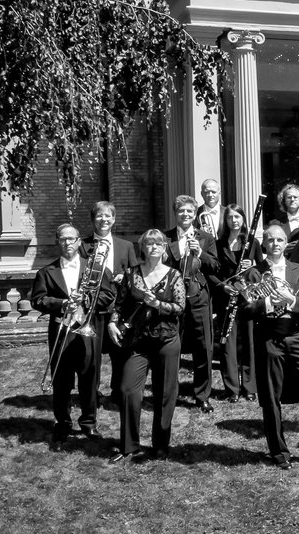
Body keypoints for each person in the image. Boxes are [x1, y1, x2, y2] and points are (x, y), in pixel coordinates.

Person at [239, 224, 299, 469]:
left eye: (280, 240)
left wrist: (291, 300)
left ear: (287, 243)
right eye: (271, 240)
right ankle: (279, 453)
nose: (275, 244)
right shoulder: (254, 273)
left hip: (297, 335)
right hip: (268, 335)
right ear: (264, 244)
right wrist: (266, 303)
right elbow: (244, 311)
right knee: (271, 396)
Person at [32, 223, 116, 450]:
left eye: (71, 239)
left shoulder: (96, 268)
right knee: (61, 380)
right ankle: (63, 422)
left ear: (79, 241)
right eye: (62, 239)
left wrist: (88, 301)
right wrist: (61, 304)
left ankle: (89, 422)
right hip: (62, 330)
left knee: (90, 377)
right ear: (57, 242)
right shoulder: (46, 272)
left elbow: (109, 295)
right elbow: (38, 300)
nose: (67, 243)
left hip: (88, 331)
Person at [109, 230, 183, 463]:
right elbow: (119, 305)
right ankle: (129, 446)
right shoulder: (131, 274)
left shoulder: (174, 275)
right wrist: (112, 323)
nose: (153, 247)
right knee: (128, 390)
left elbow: (180, 307)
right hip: (137, 341)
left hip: (166, 339)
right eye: (149, 243)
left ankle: (160, 445)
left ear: (164, 248)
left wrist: (158, 304)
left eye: (158, 243)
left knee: (164, 393)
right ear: (143, 247)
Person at [165, 194, 220, 413]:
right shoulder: (166, 237)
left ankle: (202, 395)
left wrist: (201, 253)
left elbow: (216, 266)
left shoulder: (205, 237)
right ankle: (170, 391)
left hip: (199, 297)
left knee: (203, 346)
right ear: (175, 213)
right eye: (181, 211)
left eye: (189, 211)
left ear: (195, 213)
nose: (186, 215)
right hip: (173, 298)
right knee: (171, 345)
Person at [83, 200, 139, 410]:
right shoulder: (83, 245)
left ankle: (117, 392)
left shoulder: (126, 246)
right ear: (93, 219)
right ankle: (92, 394)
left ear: (113, 219)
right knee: (92, 355)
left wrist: (124, 277)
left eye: (108, 216)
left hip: (118, 308)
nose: (103, 219)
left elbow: (136, 277)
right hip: (93, 310)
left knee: (120, 353)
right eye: (99, 216)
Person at [210, 202, 261, 402]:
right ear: (226, 220)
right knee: (227, 344)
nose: (234, 221)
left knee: (249, 342)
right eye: (230, 217)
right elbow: (212, 273)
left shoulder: (252, 242)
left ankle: (249, 387)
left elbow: (263, 269)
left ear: (243, 219)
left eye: (237, 217)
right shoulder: (218, 243)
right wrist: (223, 286)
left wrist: (252, 266)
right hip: (227, 298)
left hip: (247, 298)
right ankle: (232, 388)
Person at [270, 183, 299, 260]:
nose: (292, 199)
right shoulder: (275, 224)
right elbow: (265, 248)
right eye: (289, 197)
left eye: (295, 197)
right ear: (283, 201)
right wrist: (282, 249)